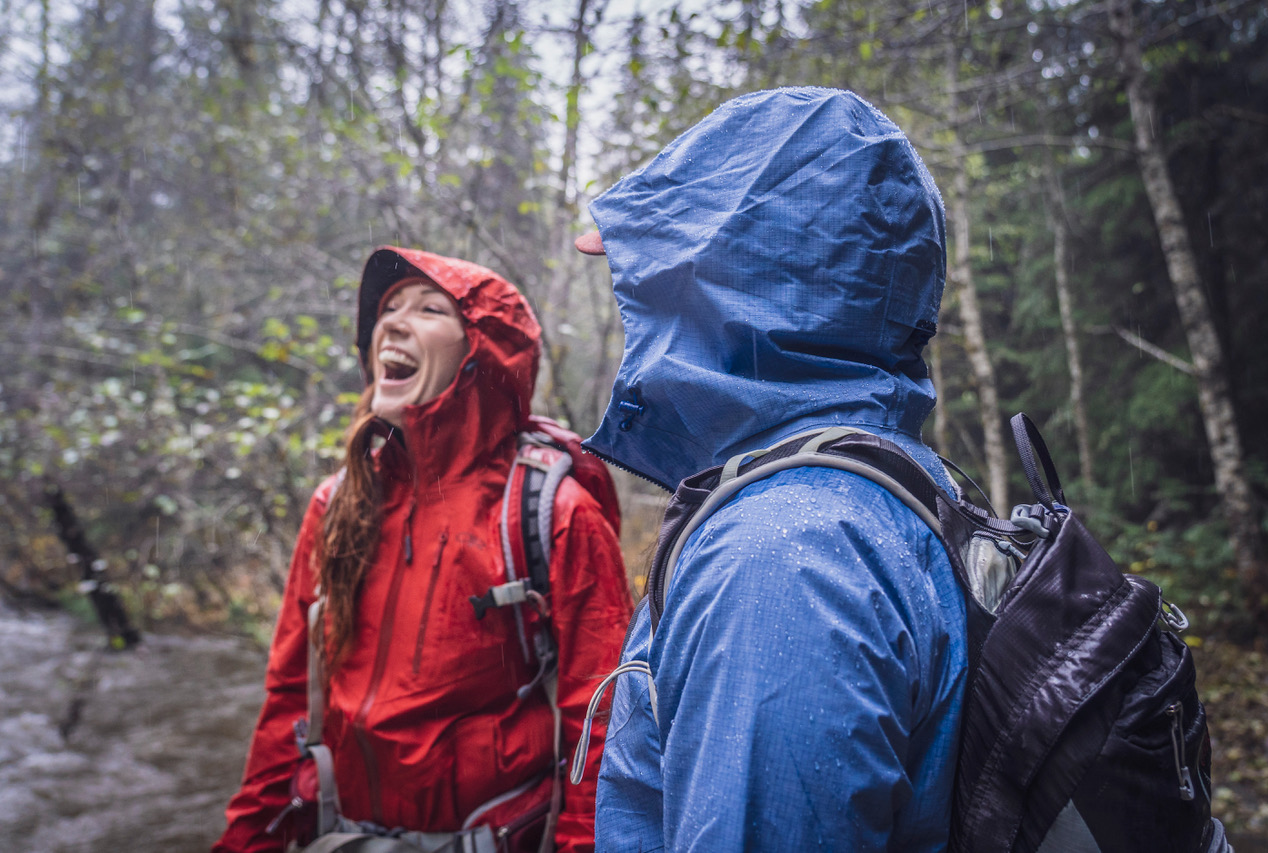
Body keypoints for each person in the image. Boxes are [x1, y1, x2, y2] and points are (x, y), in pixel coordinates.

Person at [576, 87, 967, 851]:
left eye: (653, 281)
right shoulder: (898, 493)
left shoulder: (784, 558)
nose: (638, 313)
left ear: (724, 290)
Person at [214, 247, 634, 853]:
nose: (392, 322)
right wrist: (246, 841)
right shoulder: (337, 504)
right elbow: (289, 703)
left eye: (429, 308)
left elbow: (599, 725)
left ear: (480, 353)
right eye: (388, 309)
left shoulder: (552, 512)